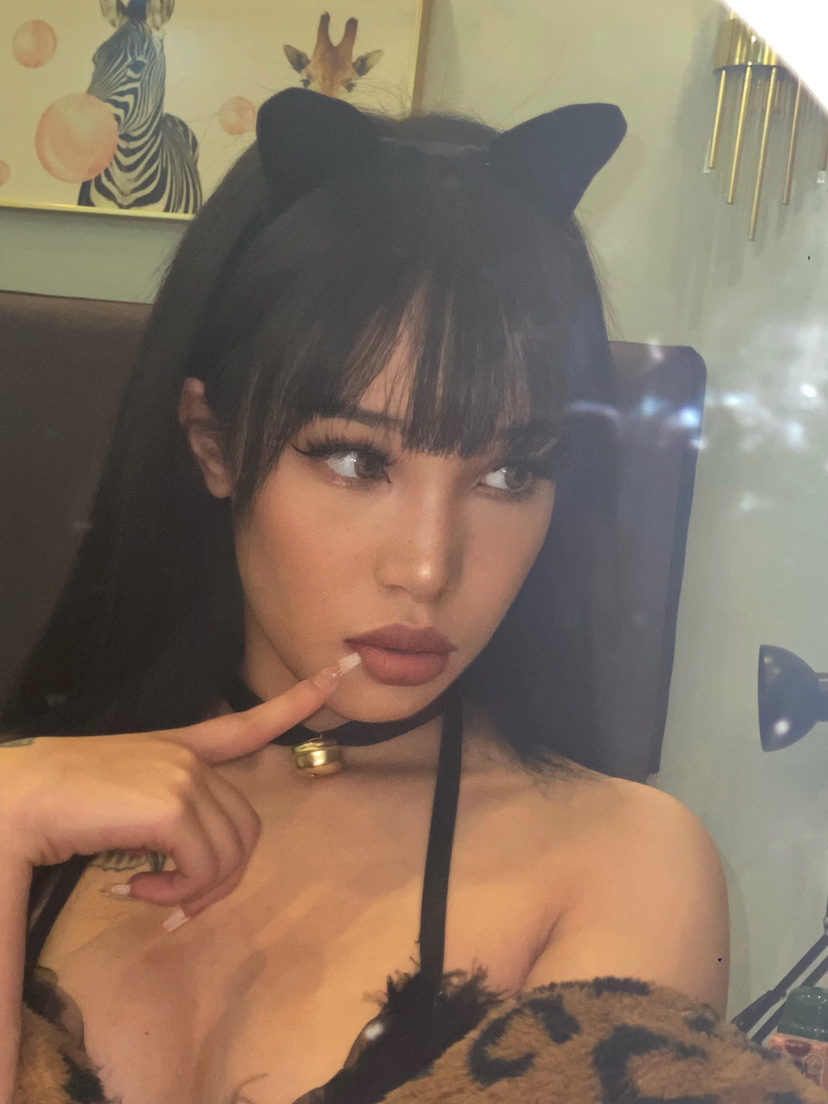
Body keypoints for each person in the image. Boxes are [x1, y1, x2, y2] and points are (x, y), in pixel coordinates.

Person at [0, 89, 733, 1104]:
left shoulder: (626, 863)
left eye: (510, 473)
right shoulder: (28, 806)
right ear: (214, 444)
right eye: (356, 459)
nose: (429, 567)